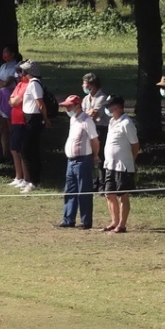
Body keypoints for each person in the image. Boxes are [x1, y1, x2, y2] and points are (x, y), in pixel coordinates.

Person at [56, 94, 99, 229]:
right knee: (70, 190)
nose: (67, 109)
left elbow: (95, 140)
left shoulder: (87, 121)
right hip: (71, 161)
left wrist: (95, 155)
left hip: (83, 160)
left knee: (84, 191)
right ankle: (68, 219)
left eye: (69, 106)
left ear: (77, 106)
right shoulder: (73, 120)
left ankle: (86, 221)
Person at [100, 94, 139, 232]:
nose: (107, 109)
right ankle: (114, 221)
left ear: (116, 107)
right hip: (110, 164)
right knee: (108, 194)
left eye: (109, 106)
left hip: (123, 166)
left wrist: (130, 161)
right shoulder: (112, 122)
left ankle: (122, 225)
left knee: (123, 195)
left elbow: (135, 145)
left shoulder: (127, 123)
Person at [13, 60, 47, 192]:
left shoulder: (34, 84)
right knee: (31, 151)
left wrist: (45, 119)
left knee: (27, 151)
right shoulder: (31, 84)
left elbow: (40, 104)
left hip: (34, 119)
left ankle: (33, 181)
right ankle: (35, 180)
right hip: (29, 118)